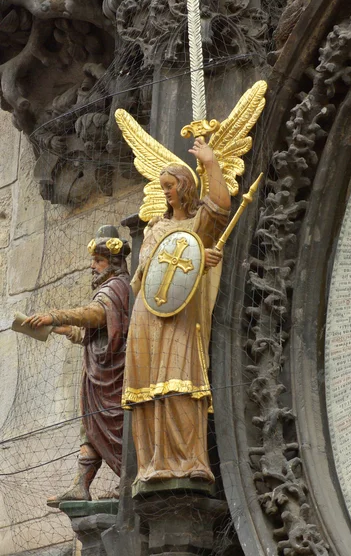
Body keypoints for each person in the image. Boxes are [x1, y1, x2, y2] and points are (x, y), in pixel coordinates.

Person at [122, 137, 230, 489]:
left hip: (181, 314)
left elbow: (219, 207)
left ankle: (190, 459)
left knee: (180, 380)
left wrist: (210, 163)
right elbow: (147, 274)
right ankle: (153, 462)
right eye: (162, 187)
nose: (165, 192)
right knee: (148, 389)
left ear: (184, 186)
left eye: (170, 186)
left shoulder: (198, 223)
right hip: (147, 314)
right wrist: (198, 261)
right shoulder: (154, 228)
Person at [23, 226, 131, 506]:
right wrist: (65, 329)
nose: (92, 267)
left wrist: (54, 315)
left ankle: (129, 477)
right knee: (92, 427)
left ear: (114, 262)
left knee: (114, 427)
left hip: (115, 376)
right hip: (99, 374)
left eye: (98, 261)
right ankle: (80, 486)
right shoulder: (109, 288)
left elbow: (96, 316)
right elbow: (98, 332)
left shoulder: (117, 286)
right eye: (92, 261)